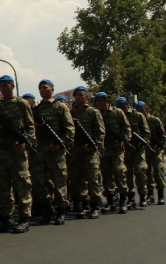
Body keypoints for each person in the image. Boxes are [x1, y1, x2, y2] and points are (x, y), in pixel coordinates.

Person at [0, 75, 36, 234]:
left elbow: (30, 127)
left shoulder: (21, 103)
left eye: (6, 84)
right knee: (3, 186)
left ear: (13, 85)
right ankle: (7, 217)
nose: (3, 88)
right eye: (0, 85)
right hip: (1, 152)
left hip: (16, 150)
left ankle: (24, 218)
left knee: (22, 184)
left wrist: (26, 142)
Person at [31, 79, 75, 225]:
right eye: (40, 88)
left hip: (56, 150)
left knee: (59, 181)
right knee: (39, 182)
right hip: (40, 150)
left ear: (52, 90)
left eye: (45, 87)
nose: (43, 90)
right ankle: (47, 208)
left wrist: (61, 144)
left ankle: (61, 210)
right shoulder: (36, 110)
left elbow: (69, 129)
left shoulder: (59, 107)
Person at [68, 86, 105, 219]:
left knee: (92, 178)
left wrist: (93, 146)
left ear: (87, 96)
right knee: (78, 179)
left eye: (81, 95)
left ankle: (95, 205)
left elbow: (100, 132)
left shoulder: (93, 112)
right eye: (76, 95)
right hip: (76, 150)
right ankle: (85, 205)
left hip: (90, 150)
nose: (78, 97)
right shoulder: (71, 114)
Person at [94, 92, 130, 214]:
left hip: (117, 148)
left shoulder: (117, 112)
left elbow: (127, 129)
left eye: (99, 100)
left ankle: (123, 200)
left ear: (105, 100)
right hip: (104, 149)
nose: (97, 103)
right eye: (96, 101)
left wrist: (122, 142)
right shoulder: (96, 114)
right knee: (106, 174)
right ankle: (110, 202)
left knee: (119, 171)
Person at [116, 96, 150, 208]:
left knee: (140, 171)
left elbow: (146, 133)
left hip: (138, 148)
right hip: (126, 149)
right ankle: (130, 197)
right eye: (119, 108)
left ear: (127, 105)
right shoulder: (118, 117)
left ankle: (143, 196)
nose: (122, 109)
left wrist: (143, 142)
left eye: (123, 107)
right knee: (127, 174)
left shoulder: (138, 116)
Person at [136, 101, 166, 205]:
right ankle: (150, 195)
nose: (141, 113)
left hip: (156, 149)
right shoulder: (138, 122)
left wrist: (158, 146)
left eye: (142, 110)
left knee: (158, 170)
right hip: (146, 150)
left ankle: (161, 195)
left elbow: (163, 136)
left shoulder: (154, 120)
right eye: (138, 111)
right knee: (147, 172)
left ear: (146, 108)